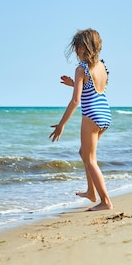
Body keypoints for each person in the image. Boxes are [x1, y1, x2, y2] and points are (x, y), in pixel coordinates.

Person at [49, 28, 113, 211]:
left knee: (90, 159)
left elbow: (76, 100)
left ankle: (105, 201)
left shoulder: (81, 69)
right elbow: (92, 88)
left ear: (84, 47)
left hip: (91, 116)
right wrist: (74, 83)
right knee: (83, 153)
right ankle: (91, 192)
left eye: (77, 47)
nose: (76, 52)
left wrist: (61, 125)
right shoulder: (102, 66)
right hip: (105, 115)